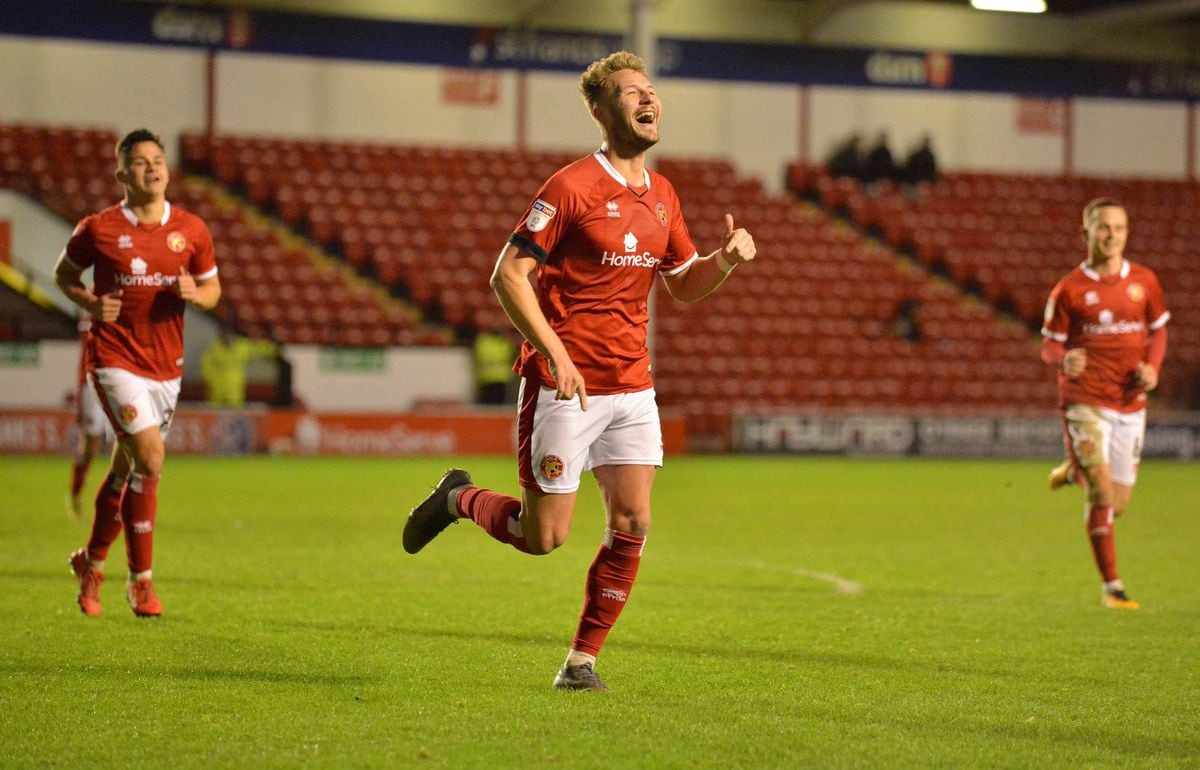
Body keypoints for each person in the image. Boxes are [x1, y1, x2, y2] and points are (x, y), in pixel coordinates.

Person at [402, 50, 757, 691]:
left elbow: (681, 283)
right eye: (630, 94)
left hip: (632, 387)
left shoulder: (664, 195)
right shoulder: (570, 188)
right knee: (544, 539)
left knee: (634, 522)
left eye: (651, 91)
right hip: (564, 386)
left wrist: (724, 261)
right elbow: (508, 275)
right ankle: (458, 497)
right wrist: (557, 356)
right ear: (600, 109)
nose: (648, 101)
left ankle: (581, 662)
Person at [54, 128, 221, 617]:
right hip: (113, 358)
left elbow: (214, 290)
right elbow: (64, 275)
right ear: (122, 173)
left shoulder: (191, 230)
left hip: (165, 367)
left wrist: (196, 294)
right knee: (151, 456)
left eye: (158, 160)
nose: (152, 168)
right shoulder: (98, 229)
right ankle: (141, 582)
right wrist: (89, 301)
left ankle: (91, 561)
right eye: (141, 161)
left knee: (126, 467)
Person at [1040, 197, 1169, 611]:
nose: (1111, 235)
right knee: (1101, 491)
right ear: (1086, 233)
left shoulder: (1145, 282)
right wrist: (1065, 359)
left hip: (1129, 400)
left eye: (1118, 228)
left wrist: (1153, 368)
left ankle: (1074, 467)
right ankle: (1113, 589)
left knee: (1118, 504)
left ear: (1127, 234)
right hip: (1085, 399)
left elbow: (1158, 332)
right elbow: (1049, 346)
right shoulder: (1069, 289)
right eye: (1102, 227)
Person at [67, 315, 114, 519]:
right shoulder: (92, 312)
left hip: (121, 385)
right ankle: (75, 494)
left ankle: (117, 505)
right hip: (92, 385)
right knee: (90, 449)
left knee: (126, 448)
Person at [200, 326, 277, 407]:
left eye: (229, 335)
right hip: (216, 387)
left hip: (234, 385)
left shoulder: (242, 347)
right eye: (225, 335)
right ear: (221, 336)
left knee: (235, 410)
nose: (227, 338)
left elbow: (258, 349)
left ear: (234, 336)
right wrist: (211, 381)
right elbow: (206, 366)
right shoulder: (214, 349)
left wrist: (274, 348)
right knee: (215, 410)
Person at [472, 323, 518, 405]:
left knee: (491, 407)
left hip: (495, 379)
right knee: (496, 407)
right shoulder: (505, 342)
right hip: (495, 379)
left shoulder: (482, 341)